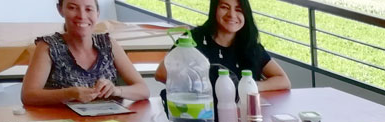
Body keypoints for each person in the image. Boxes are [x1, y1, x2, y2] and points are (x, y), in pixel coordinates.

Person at [21, 0, 150, 107]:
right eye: (72, 8)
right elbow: (28, 95)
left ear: (97, 13)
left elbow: (143, 90)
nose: (82, 16)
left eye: (89, 9)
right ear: (60, 10)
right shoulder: (48, 46)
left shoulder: (109, 44)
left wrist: (116, 90)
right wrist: (69, 94)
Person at [154, 0, 290, 90]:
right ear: (214, 10)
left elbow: (283, 81)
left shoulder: (249, 45)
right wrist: (199, 88)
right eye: (224, 7)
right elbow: (161, 73)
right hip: (202, 113)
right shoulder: (194, 39)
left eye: (238, 9)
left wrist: (249, 86)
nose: (232, 15)